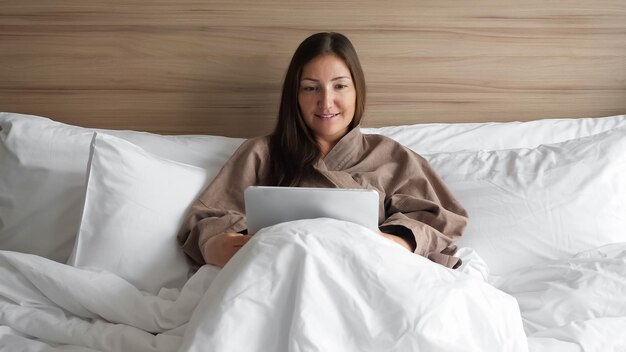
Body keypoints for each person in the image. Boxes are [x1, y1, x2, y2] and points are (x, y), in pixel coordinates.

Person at [177, 32, 467, 269]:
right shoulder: (261, 152)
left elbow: (435, 218)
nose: (326, 103)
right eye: (311, 88)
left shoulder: (391, 156)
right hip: (279, 272)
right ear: (295, 95)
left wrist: (397, 242)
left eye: (339, 86)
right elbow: (208, 219)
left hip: (368, 272)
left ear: (357, 91)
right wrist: (218, 245)